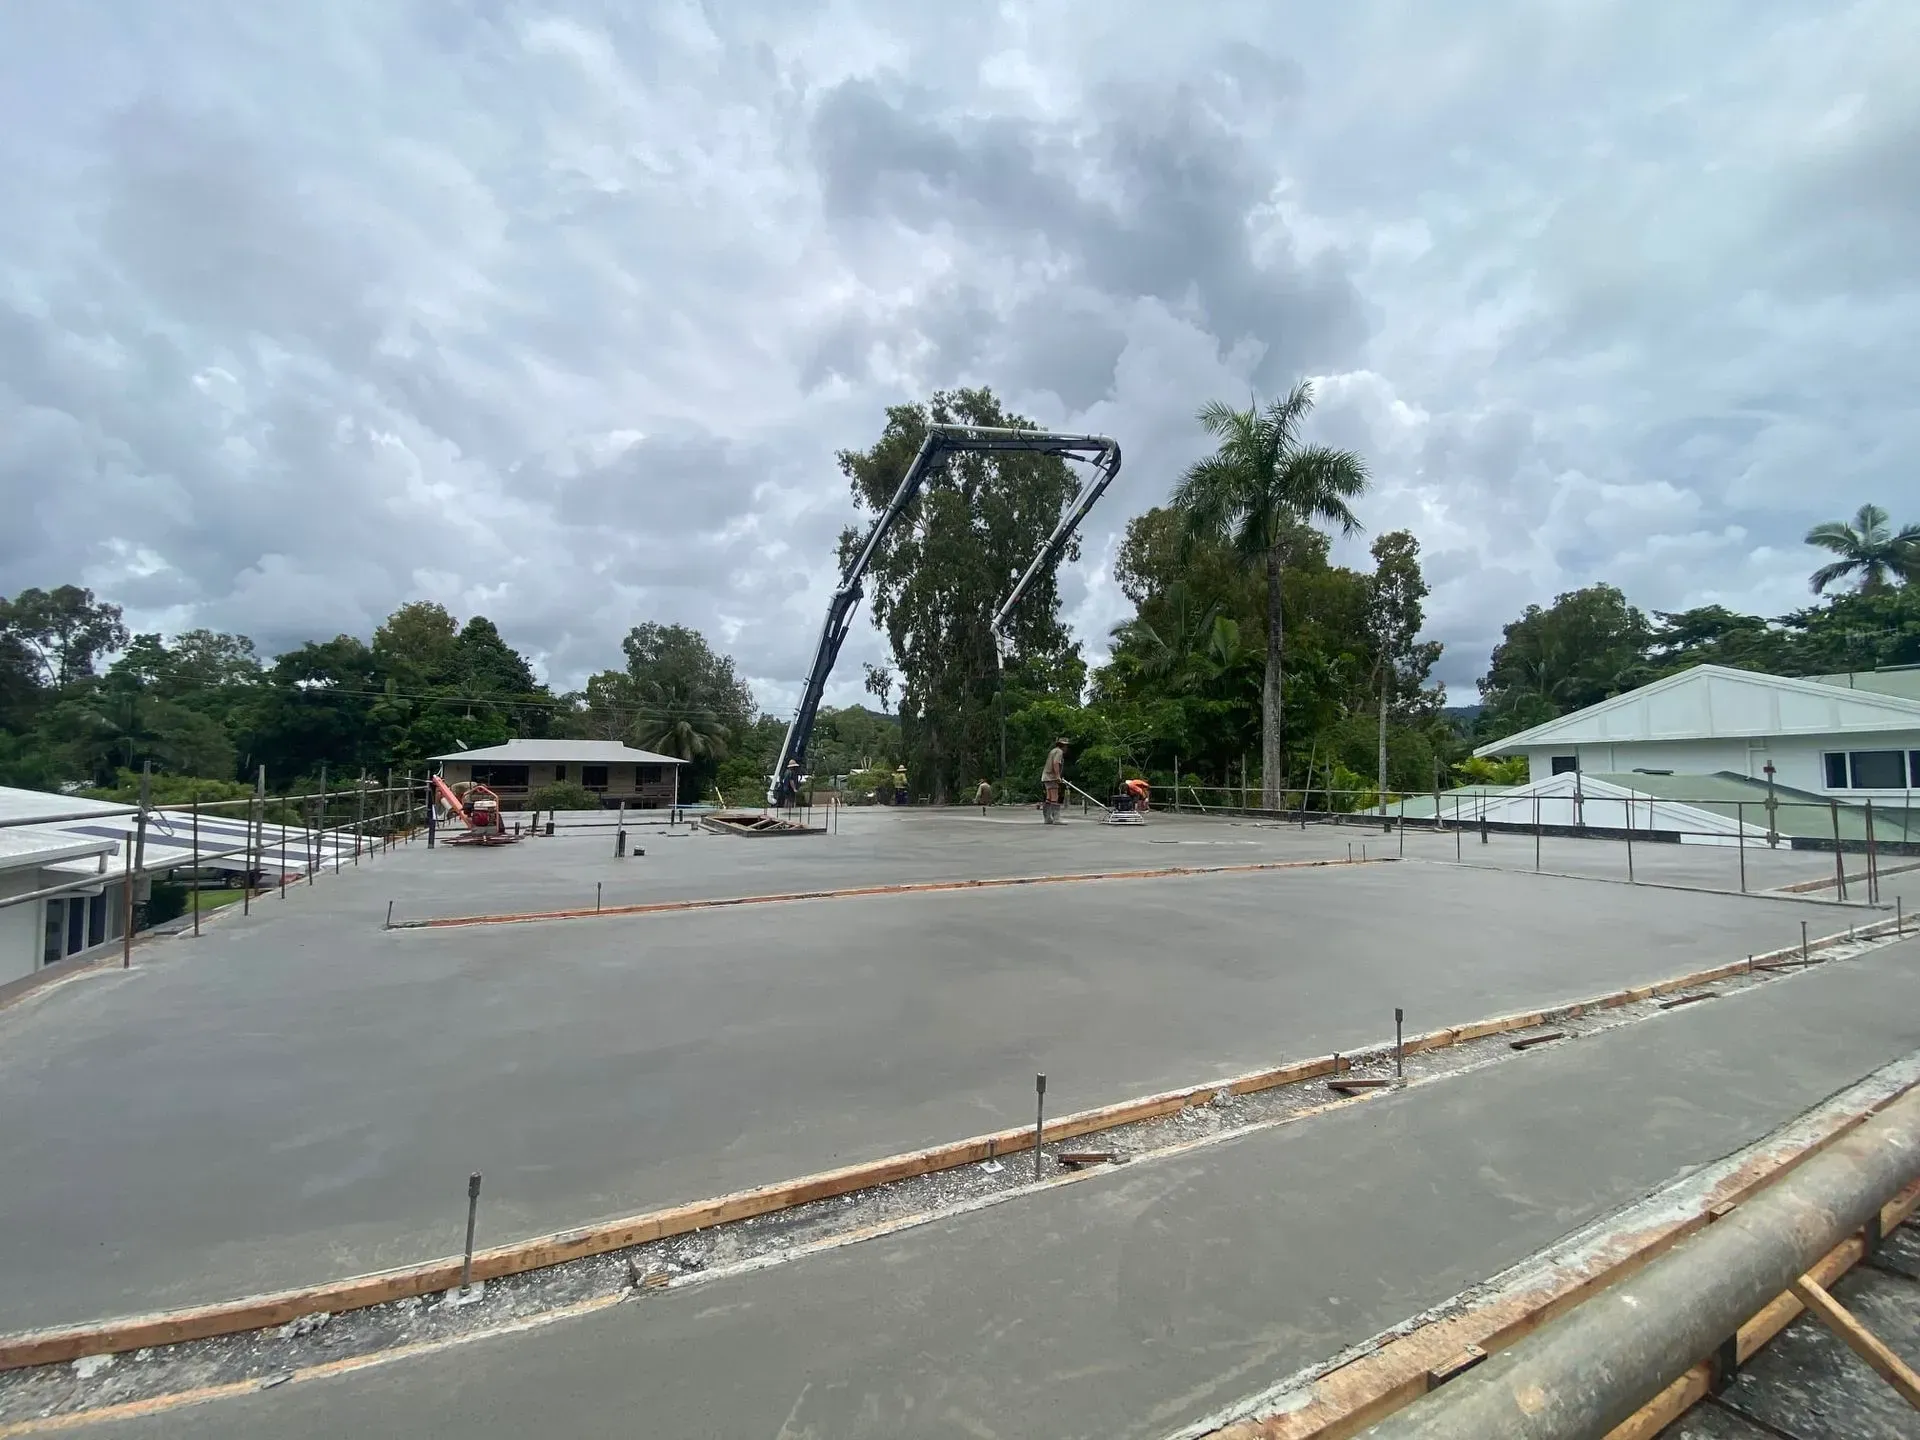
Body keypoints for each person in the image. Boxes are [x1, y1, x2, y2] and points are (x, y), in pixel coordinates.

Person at [1041, 736, 1068, 824]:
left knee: (1049, 798)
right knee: (1054, 797)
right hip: (1051, 776)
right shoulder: (1059, 752)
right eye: (1066, 746)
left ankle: (1047, 818)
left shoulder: (1053, 750)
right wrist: (1057, 776)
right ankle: (1056, 818)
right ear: (1063, 745)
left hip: (1046, 776)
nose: (1066, 748)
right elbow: (1056, 763)